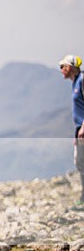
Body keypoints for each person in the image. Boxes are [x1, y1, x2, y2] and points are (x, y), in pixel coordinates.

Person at [58, 54, 84, 209]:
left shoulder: (81, 80)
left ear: (69, 67)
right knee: (80, 162)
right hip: (79, 130)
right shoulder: (75, 82)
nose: (61, 70)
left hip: (82, 129)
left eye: (62, 67)